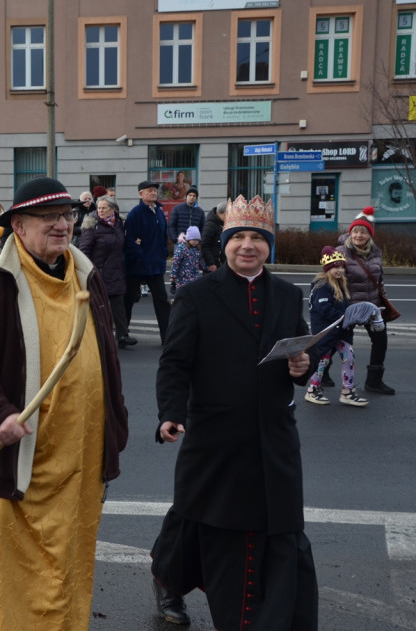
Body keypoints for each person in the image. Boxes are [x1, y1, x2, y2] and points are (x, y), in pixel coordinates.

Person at [0, 176, 128, 631]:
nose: (61, 225)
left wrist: (115, 425)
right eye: (48, 218)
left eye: (66, 216)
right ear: (18, 227)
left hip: (80, 459)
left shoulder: (86, 275)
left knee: (67, 568)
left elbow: (108, 359)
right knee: (20, 576)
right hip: (21, 460)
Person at [149, 195, 317, 630]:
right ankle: (167, 579)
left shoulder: (286, 294)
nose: (247, 245)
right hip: (214, 438)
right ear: (223, 244)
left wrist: (303, 366)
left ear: (268, 245)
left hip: (274, 437)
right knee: (198, 518)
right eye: (238, 237)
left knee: (278, 528)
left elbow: (300, 354)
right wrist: (170, 413)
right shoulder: (195, 295)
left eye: (257, 238)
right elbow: (175, 362)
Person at [336, 207, 395, 395]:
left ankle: (374, 381)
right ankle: (321, 376)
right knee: (333, 340)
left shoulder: (376, 253)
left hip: (372, 306)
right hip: (349, 306)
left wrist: (383, 300)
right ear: (350, 233)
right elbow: (332, 280)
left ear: (369, 235)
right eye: (355, 231)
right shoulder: (341, 252)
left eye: (363, 232)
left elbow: (380, 279)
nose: (358, 235)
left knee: (381, 341)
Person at [305, 247, 369, 408]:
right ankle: (312, 390)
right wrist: (345, 318)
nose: (340, 270)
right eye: (335, 267)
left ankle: (347, 392)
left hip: (341, 331)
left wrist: (354, 316)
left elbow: (344, 308)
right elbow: (323, 309)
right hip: (326, 331)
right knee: (322, 360)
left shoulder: (341, 284)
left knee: (349, 357)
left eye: (342, 267)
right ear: (327, 268)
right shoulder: (322, 286)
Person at [78, 195, 136, 349]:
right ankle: (98, 335)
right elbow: (84, 250)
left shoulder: (119, 224)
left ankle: (122, 335)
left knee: (118, 304)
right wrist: (87, 271)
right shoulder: (92, 225)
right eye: (99, 208)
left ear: (113, 209)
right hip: (98, 271)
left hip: (116, 270)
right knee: (99, 305)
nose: (101, 210)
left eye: (104, 208)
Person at [123, 179, 171, 342]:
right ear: (140, 194)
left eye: (154, 190)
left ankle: (167, 336)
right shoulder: (136, 213)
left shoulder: (158, 211)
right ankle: (122, 334)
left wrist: (164, 254)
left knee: (162, 301)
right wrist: (140, 256)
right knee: (128, 300)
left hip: (156, 264)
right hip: (137, 265)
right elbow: (129, 239)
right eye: (149, 190)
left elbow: (164, 236)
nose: (153, 192)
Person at [168, 225, 205, 293]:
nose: (195, 242)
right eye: (193, 240)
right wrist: (173, 276)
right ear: (188, 239)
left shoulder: (197, 249)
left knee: (192, 292)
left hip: (194, 275)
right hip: (183, 277)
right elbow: (176, 262)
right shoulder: (182, 248)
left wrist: (204, 267)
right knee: (183, 293)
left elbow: (198, 261)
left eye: (197, 240)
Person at [200, 198, 227, 273]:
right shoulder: (210, 225)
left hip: (221, 264)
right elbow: (204, 245)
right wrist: (211, 263)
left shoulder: (221, 224)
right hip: (213, 266)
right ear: (219, 213)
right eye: (226, 214)